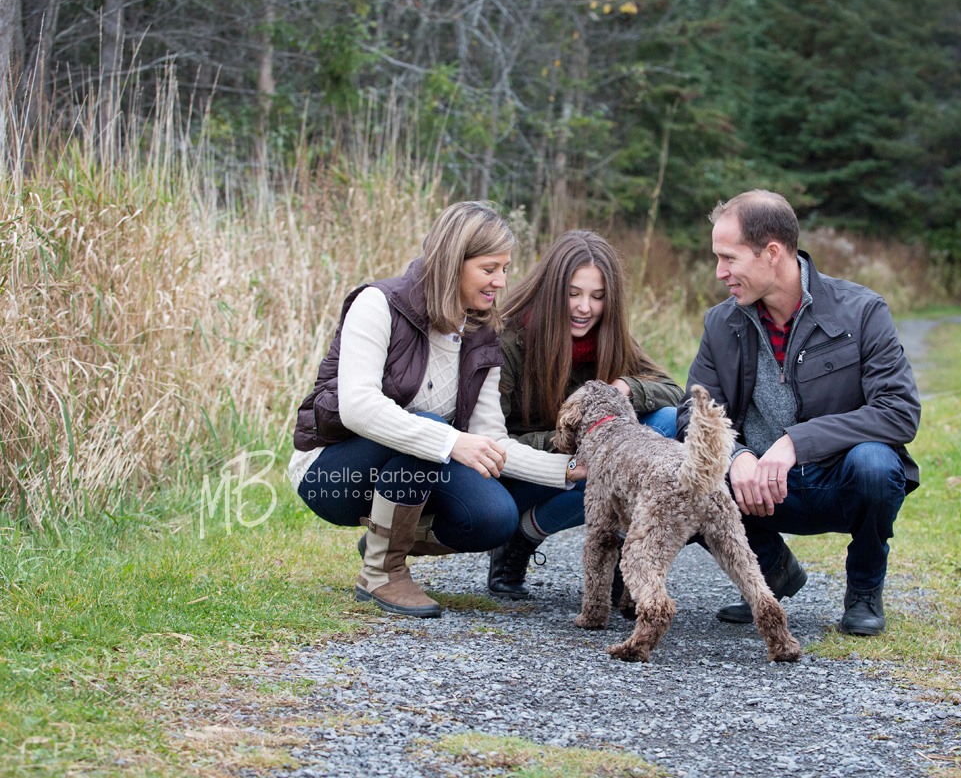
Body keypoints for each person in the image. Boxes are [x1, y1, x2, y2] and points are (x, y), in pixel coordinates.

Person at [287, 201, 585, 619]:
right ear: (452, 261)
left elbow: (492, 441)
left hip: (413, 466)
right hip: (332, 474)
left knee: (494, 518)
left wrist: (568, 470)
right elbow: (357, 407)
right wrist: (449, 439)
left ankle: (386, 534)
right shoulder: (378, 304)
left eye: (505, 268)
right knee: (427, 427)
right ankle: (382, 571)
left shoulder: (483, 336)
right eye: (489, 268)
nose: (501, 281)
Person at [678, 190, 920, 636]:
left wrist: (796, 442)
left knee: (877, 464)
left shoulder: (864, 311)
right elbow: (693, 416)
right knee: (684, 473)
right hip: (757, 491)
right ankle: (770, 571)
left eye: (729, 258)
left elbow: (899, 413)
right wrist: (736, 457)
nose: (720, 273)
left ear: (772, 252)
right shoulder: (720, 323)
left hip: (837, 481)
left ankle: (864, 589)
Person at [487, 230, 684, 599]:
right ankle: (521, 536)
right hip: (527, 470)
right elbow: (492, 438)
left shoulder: (609, 336)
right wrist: (571, 445)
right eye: (573, 293)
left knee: (669, 423)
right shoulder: (509, 340)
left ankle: (626, 557)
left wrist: (623, 387)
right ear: (551, 290)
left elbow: (674, 391)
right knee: (605, 464)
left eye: (597, 297)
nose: (584, 308)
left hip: (589, 465)